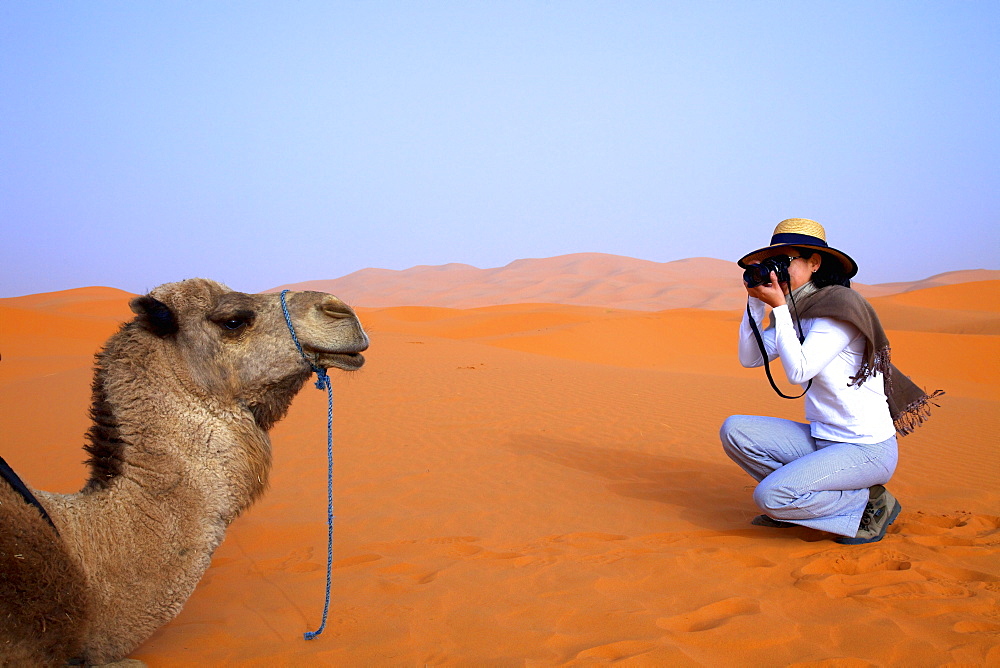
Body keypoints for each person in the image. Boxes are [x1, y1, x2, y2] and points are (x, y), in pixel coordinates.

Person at [720, 218, 942, 545]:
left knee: (769, 497)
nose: (776, 271)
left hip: (864, 449)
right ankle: (798, 504)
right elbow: (750, 358)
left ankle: (868, 504)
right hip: (821, 439)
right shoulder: (797, 313)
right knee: (735, 430)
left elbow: (799, 371)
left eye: (785, 261)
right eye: (772, 263)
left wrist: (779, 308)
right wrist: (755, 304)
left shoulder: (839, 311)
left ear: (814, 263)